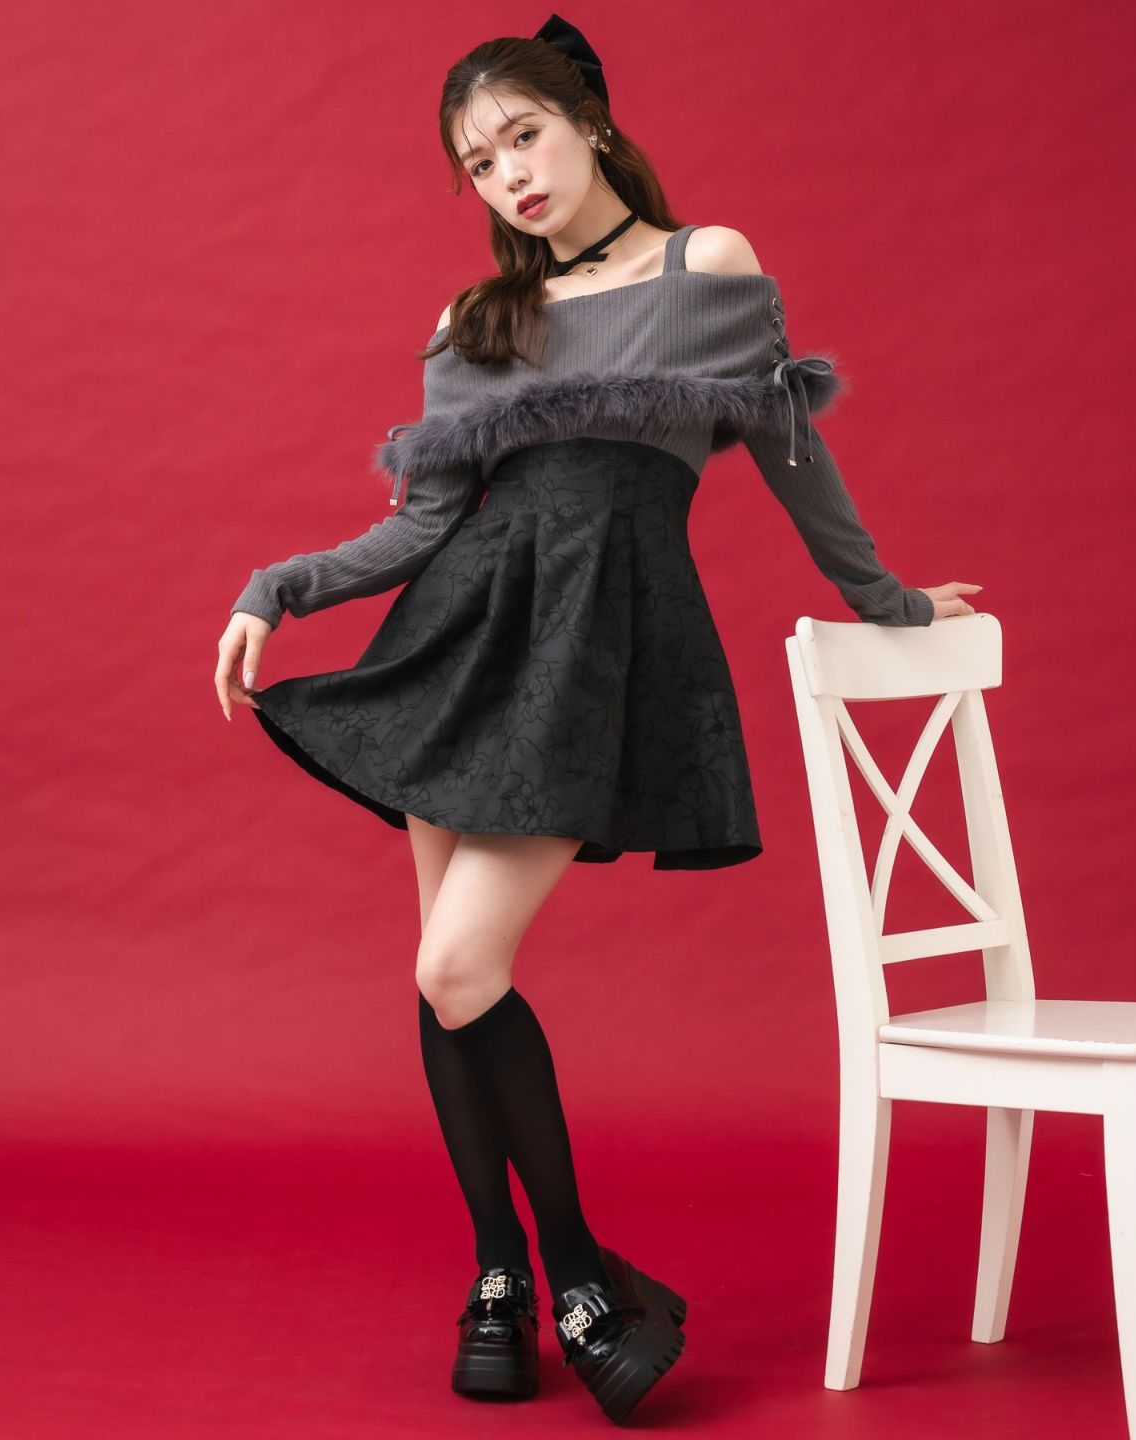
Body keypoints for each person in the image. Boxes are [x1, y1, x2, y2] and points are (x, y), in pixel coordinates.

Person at [213, 13, 982, 1424]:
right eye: (479, 161)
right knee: (446, 978)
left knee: (460, 965)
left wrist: (885, 599)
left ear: (591, 125)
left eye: (525, 135)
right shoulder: (476, 323)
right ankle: (505, 1277)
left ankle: (577, 1271)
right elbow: (421, 526)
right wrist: (283, 586)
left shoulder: (708, 270)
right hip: (462, 639)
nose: (509, 174)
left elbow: (792, 453)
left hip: (598, 644)